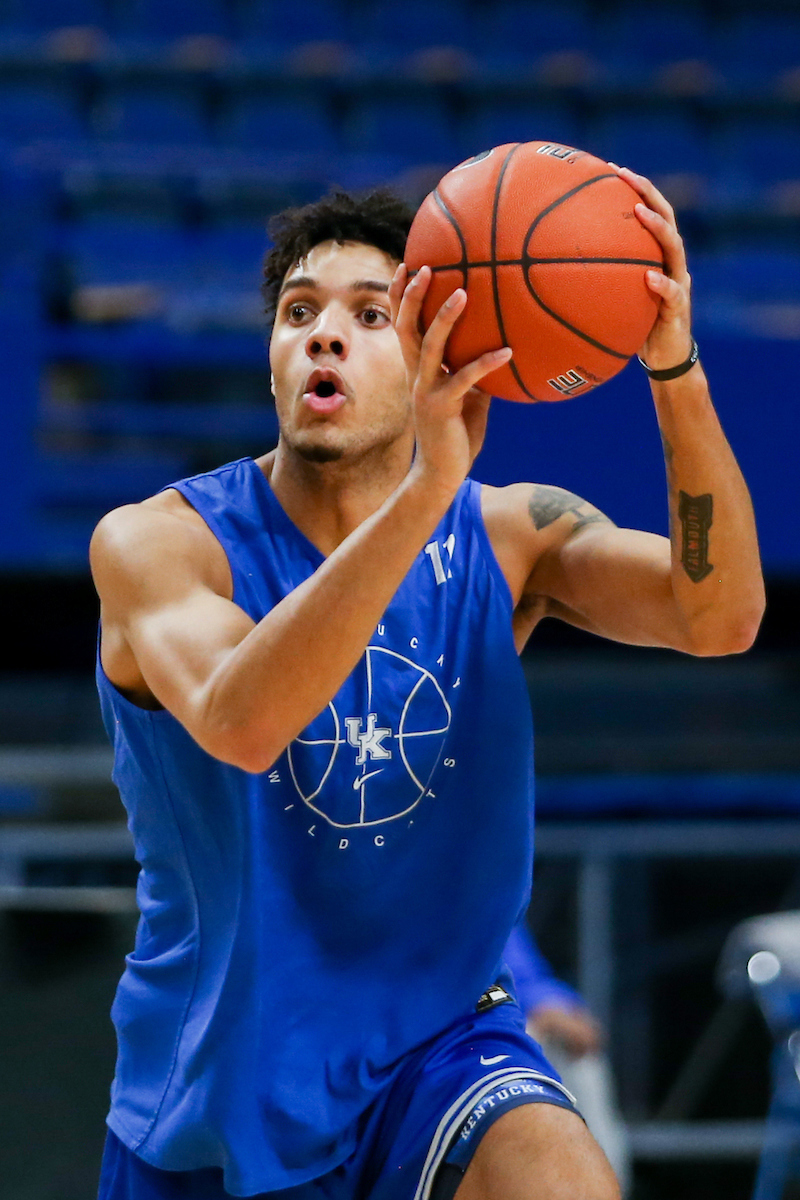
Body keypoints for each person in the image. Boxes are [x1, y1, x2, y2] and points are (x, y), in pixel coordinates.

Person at [89, 166, 764, 1200]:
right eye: (297, 312)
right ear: (270, 356)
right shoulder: (158, 546)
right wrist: (421, 494)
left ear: (435, 357)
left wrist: (673, 372)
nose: (322, 335)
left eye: (369, 315)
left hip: (441, 1050)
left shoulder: (509, 537)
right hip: (221, 1098)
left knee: (561, 1177)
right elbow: (245, 720)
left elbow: (717, 617)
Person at [504, 923, 631, 1196]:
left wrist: (557, 1006)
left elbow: (526, 972)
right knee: (537, 1038)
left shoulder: (491, 891)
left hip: (513, 1018)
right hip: (461, 1026)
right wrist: (536, 1008)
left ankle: (603, 1188)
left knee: (578, 1054)